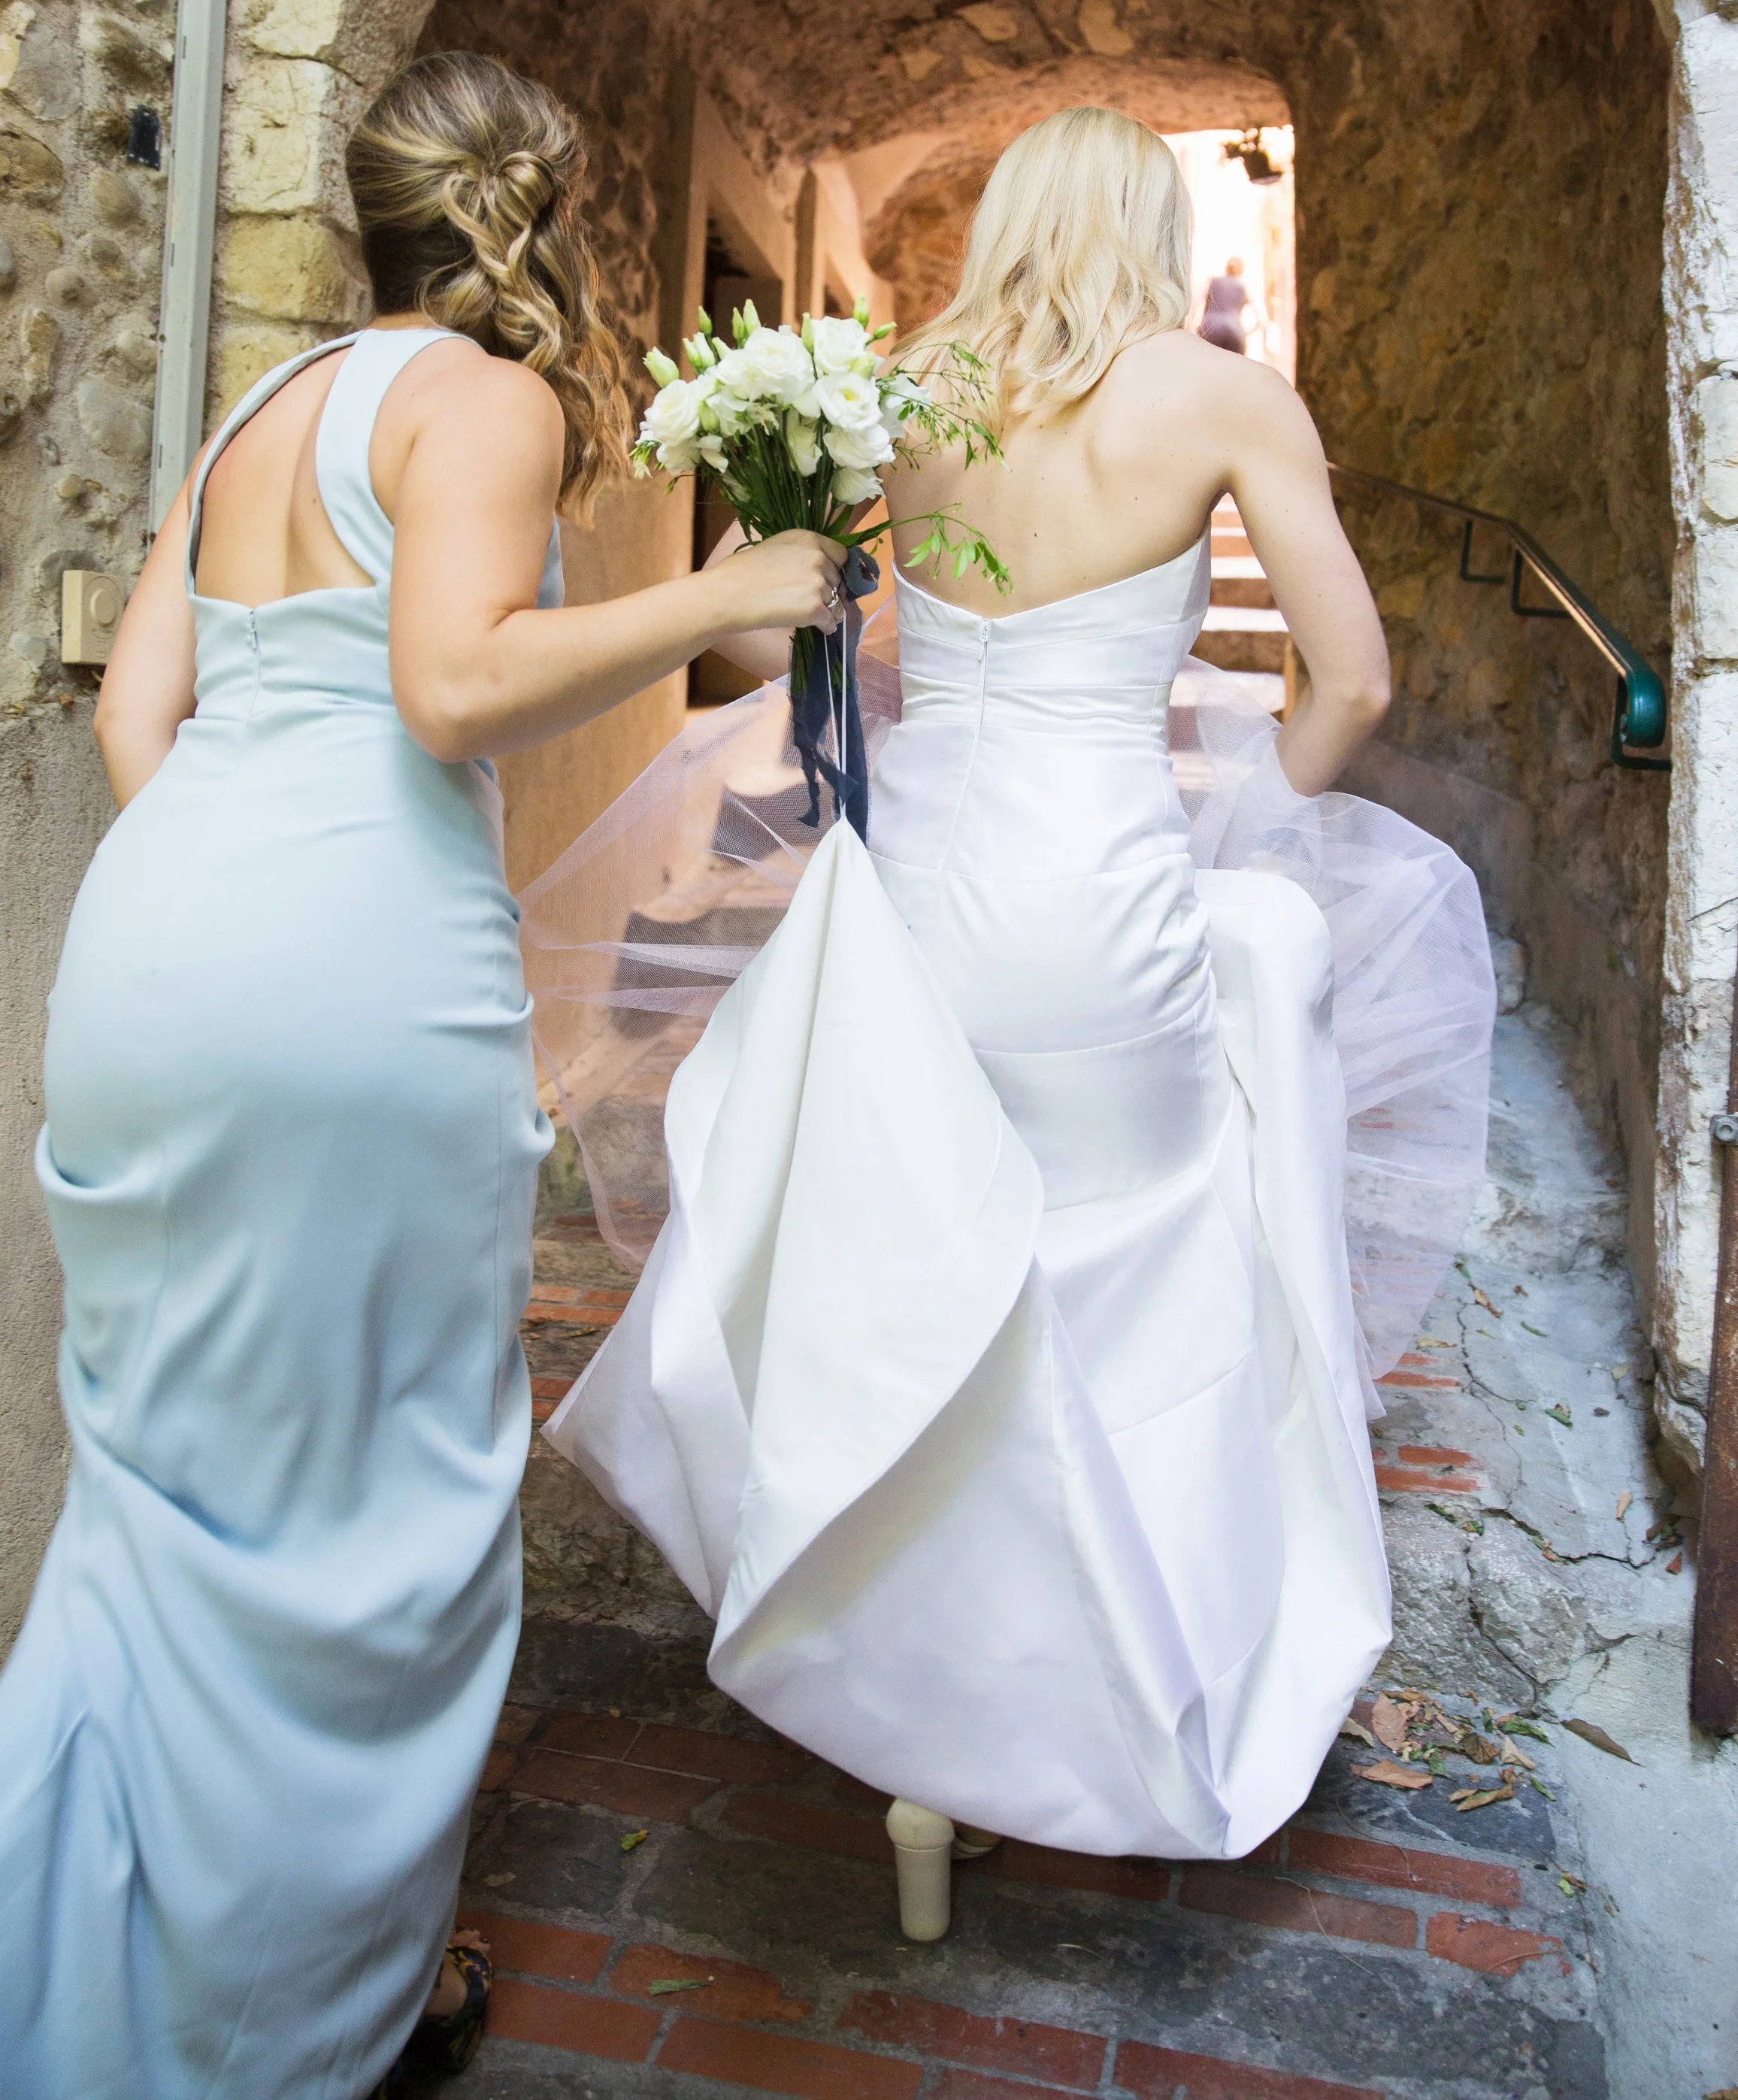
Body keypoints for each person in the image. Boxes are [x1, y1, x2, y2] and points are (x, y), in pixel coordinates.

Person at [534, 107, 1495, 1941]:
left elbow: (816, 644)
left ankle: (923, 1763)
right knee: (1128, 1293)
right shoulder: (1216, 398)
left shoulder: (897, 385)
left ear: (1003, 221)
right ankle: (1104, 1716)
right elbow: (1352, 676)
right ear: (1148, 220)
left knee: (933, 1292)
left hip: (919, 911)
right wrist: (1231, 816)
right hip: (1099, 913)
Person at [0, 52, 843, 2100]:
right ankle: (306, 2022)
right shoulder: (489, 398)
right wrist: (735, 585)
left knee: (169, 1493)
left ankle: (82, 1982)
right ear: (540, 208)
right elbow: (450, 680)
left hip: (150, 946)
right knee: (370, 1495)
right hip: (348, 981)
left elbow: (140, 715)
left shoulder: (251, 414)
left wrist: (229, 874)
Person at [1199, 251, 1252, 352]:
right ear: (1241, 270)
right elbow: (1262, 320)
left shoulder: (1212, 281)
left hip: (1210, 329)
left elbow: (1197, 304)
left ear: (1227, 268)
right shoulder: (1243, 287)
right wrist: (1246, 333)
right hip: (1235, 331)